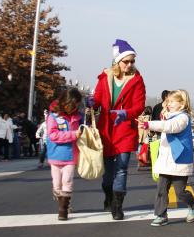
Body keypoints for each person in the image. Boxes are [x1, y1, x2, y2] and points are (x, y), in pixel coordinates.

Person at [91, 39, 146, 220]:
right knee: (107, 172)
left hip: (124, 129)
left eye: (132, 61)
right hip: (106, 130)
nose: (130, 65)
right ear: (117, 61)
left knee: (121, 168)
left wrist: (126, 113)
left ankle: (117, 205)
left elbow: (139, 106)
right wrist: (92, 102)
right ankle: (108, 194)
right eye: (126, 61)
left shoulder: (137, 80)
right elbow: (98, 98)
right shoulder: (105, 77)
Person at [138, 89, 194, 226]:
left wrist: (150, 124)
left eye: (173, 101)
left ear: (182, 103)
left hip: (179, 160)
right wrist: (163, 114)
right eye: (168, 101)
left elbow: (170, 127)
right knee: (161, 190)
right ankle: (161, 215)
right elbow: (166, 121)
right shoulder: (169, 115)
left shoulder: (183, 118)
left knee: (180, 192)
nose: (169, 104)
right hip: (166, 160)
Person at [46, 88, 83, 220]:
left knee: (67, 181)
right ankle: (62, 200)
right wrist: (73, 135)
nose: (76, 107)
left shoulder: (77, 117)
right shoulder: (53, 117)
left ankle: (63, 210)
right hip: (55, 156)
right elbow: (53, 135)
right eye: (75, 104)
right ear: (68, 102)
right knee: (57, 185)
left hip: (70, 156)